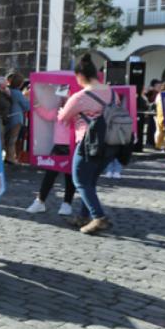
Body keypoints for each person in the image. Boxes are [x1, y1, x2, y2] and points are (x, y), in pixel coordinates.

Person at [57, 54, 115, 235]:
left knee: (80, 180)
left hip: (89, 144)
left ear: (80, 75)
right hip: (111, 143)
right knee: (90, 180)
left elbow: (63, 117)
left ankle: (99, 217)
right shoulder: (111, 92)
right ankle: (83, 216)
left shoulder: (80, 96)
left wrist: (62, 108)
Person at [25, 100, 75, 216]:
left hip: (72, 146)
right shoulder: (57, 110)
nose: (64, 98)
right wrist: (36, 103)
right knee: (50, 174)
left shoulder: (75, 111)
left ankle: (67, 204)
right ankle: (40, 201)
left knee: (69, 177)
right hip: (58, 146)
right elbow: (47, 115)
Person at [5, 72, 29, 165]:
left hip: (8, 117)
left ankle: (8, 157)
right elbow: (27, 106)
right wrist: (27, 98)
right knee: (13, 139)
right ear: (20, 83)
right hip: (16, 118)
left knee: (8, 139)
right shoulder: (18, 93)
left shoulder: (8, 91)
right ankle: (11, 158)